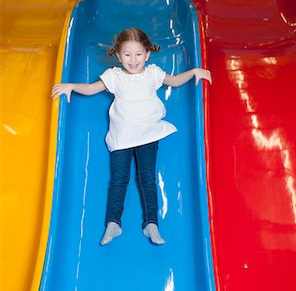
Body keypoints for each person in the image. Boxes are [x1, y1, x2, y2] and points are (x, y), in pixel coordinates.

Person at [51, 28, 212, 246]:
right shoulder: (114, 76)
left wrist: (194, 72)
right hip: (122, 137)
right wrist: (71, 86)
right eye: (127, 55)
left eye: (138, 54)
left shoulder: (153, 73)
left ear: (147, 54)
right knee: (119, 180)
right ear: (118, 56)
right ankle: (113, 223)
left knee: (147, 179)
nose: (133, 60)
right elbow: (91, 88)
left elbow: (173, 81)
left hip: (147, 134)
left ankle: (151, 223)